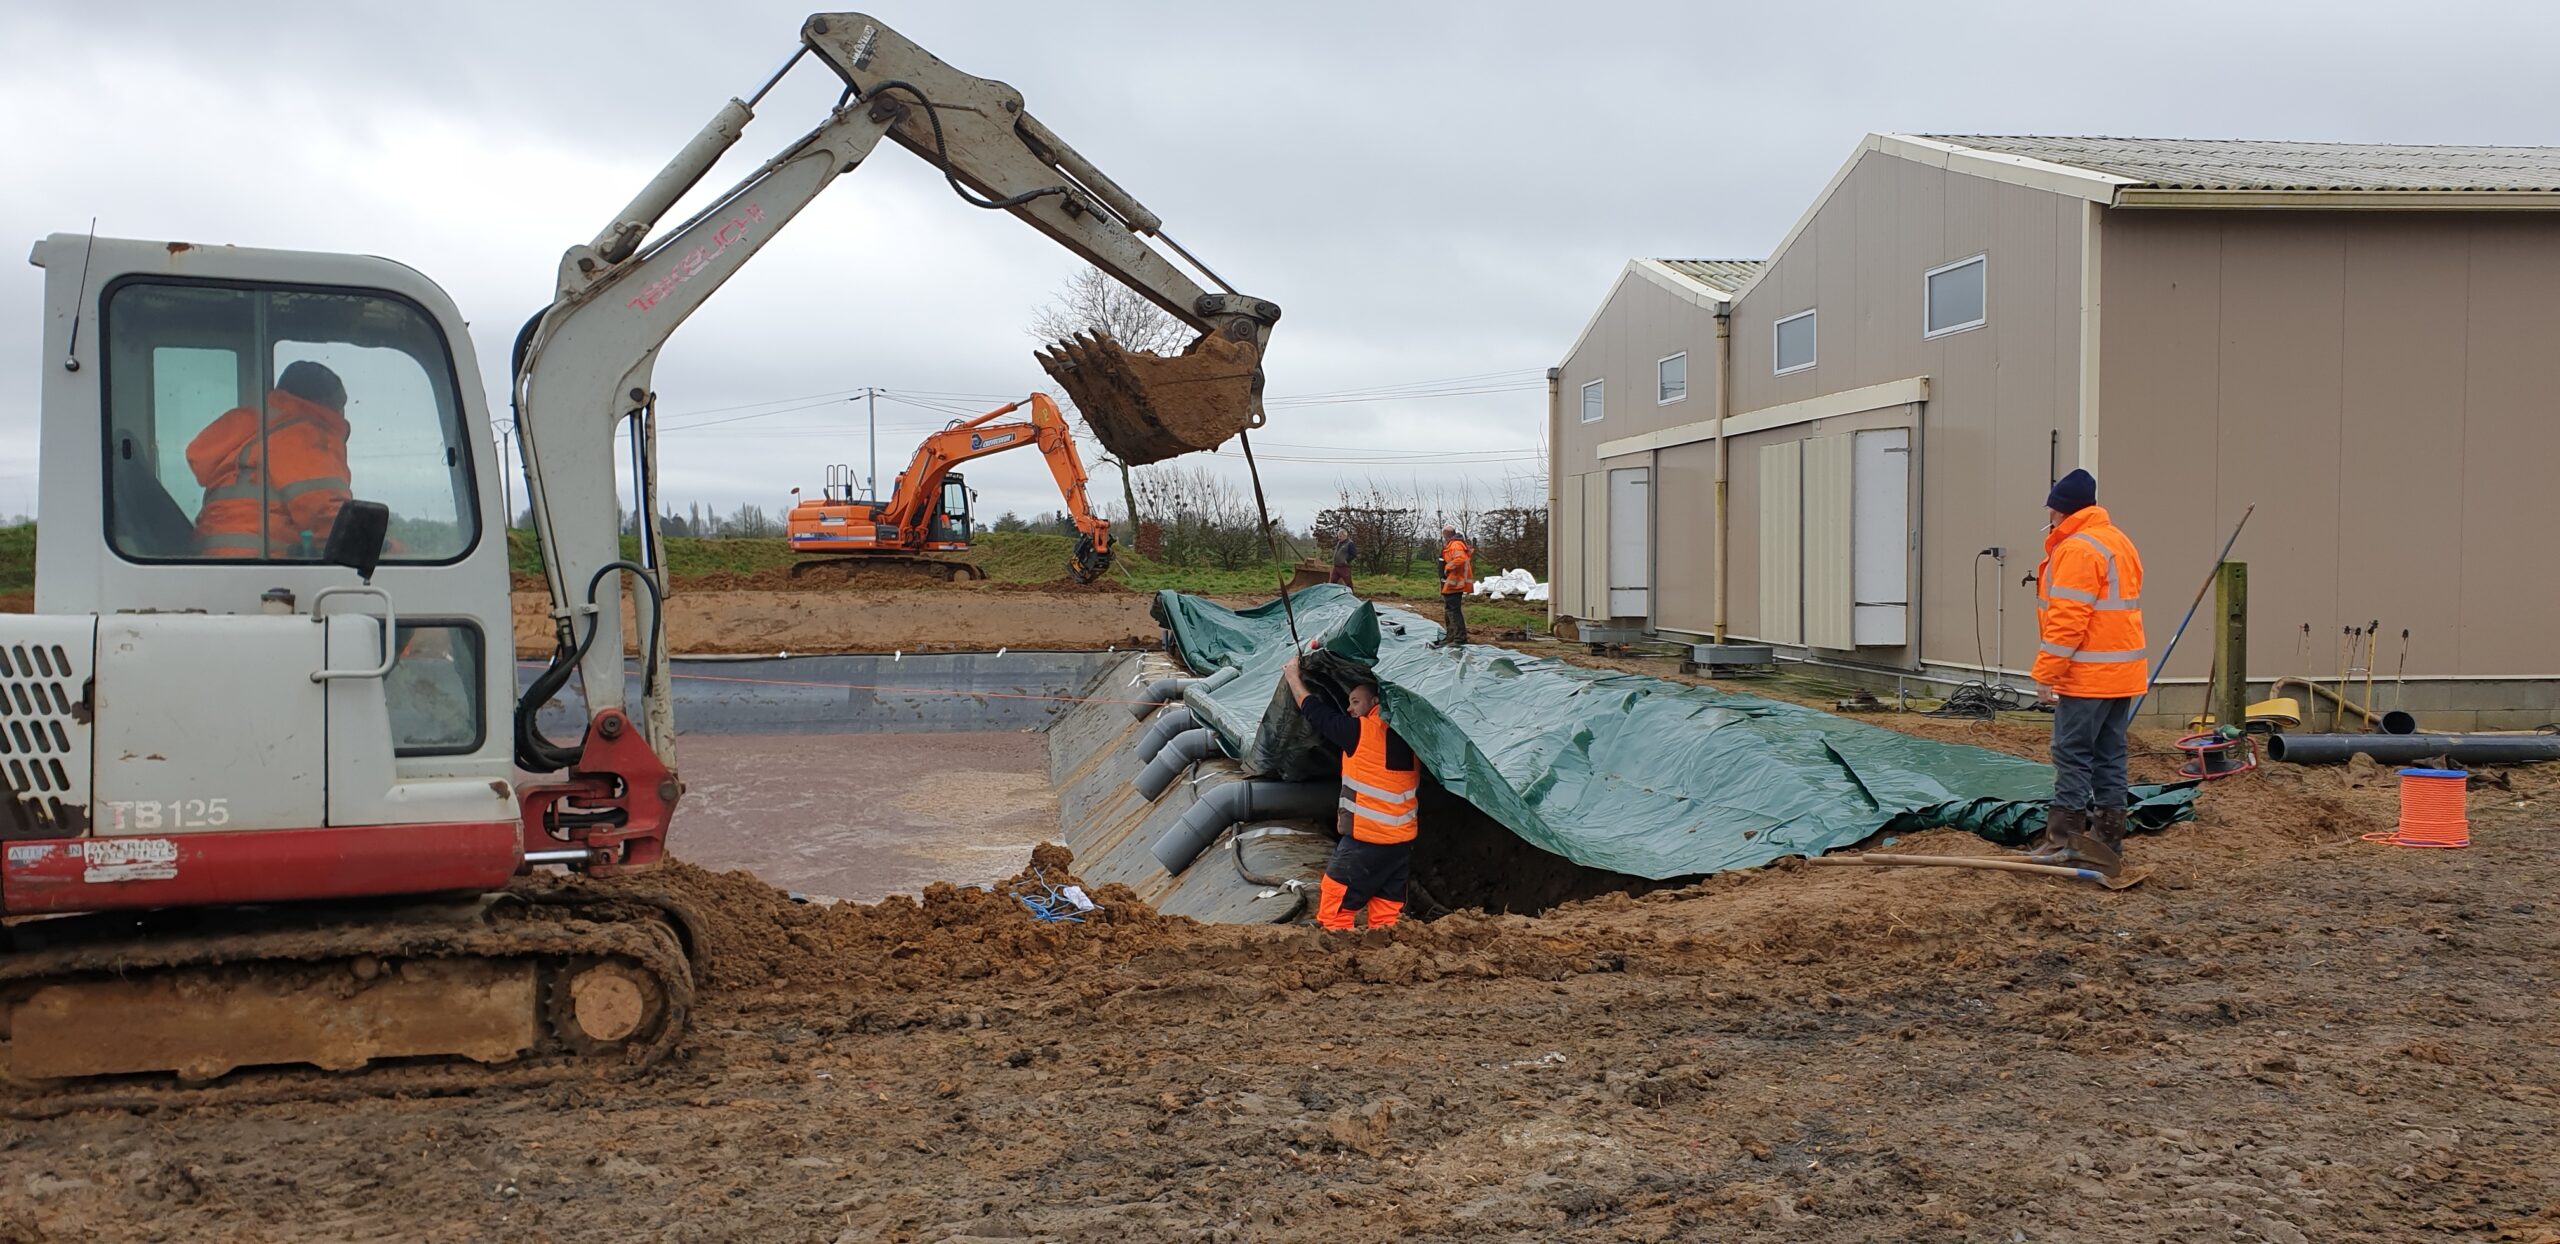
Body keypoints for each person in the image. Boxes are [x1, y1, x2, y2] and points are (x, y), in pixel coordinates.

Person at [2027, 468, 2148, 875]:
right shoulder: (2118, 541)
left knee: (2072, 752)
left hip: (2088, 675)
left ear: (2062, 510)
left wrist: (2047, 672)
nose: (2049, 517)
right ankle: (2107, 839)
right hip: (2122, 673)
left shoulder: (2078, 549)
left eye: (2051, 510)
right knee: (2110, 752)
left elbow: (2068, 620)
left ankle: (2064, 839)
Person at [1283, 653, 1420, 931]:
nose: (1349, 708)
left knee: (1334, 904)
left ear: (1375, 702)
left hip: (1367, 841)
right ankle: (1384, 950)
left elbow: (1314, 711)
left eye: (1356, 701)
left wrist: (1293, 677)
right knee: (1386, 917)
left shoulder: (1361, 732)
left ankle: (1337, 950)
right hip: (1400, 844)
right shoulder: (1409, 737)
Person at [187, 360, 355, 559]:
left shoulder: (254, 433)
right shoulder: (302, 434)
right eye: (341, 406)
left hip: (209, 561)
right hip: (260, 566)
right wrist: (380, 547)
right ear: (330, 406)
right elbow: (329, 518)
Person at [1432, 524, 1473, 647]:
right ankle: (1451, 636)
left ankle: (1459, 639)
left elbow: (1460, 559)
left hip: (1455, 583)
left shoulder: (1455, 545)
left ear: (1446, 535)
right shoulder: (1453, 544)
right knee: (1450, 610)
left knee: (1454, 611)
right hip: (1452, 583)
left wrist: (1447, 568)